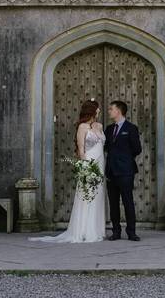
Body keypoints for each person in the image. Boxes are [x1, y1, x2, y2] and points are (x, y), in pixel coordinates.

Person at [29, 100, 106, 243]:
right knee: (87, 197)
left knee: (97, 196)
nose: (99, 111)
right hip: (89, 165)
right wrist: (86, 168)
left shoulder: (100, 126)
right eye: (97, 109)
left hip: (101, 165)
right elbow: (81, 149)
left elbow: (102, 145)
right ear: (92, 110)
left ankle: (95, 229)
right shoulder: (82, 127)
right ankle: (83, 230)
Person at [104, 100, 142, 241]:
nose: (109, 111)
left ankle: (131, 232)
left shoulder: (131, 128)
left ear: (118, 111)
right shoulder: (108, 129)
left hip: (126, 171)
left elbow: (137, 149)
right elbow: (106, 147)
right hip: (111, 172)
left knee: (128, 201)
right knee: (113, 203)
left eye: (111, 109)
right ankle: (116, 231)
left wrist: (124, 158)